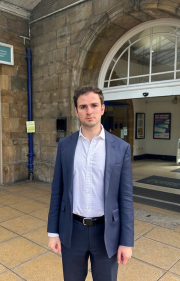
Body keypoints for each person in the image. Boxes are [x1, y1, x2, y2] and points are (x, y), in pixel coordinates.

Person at [47, 85, 134, 281]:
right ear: (76, 111)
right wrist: (53, 231)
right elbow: (57, 191)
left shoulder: (121, 148)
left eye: (94, 105)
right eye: (83, 106)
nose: (89, 111)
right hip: (72, 230)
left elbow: (126, 198)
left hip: (106, 234)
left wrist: (126, 242)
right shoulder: (65, 146)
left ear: (102, 108)